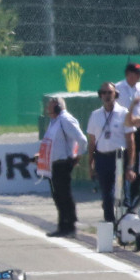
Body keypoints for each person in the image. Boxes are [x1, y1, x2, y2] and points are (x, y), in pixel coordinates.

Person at [87, 83, 131, 225]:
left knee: (122, 193)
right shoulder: (95, 115)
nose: (107, 95)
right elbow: (92, 142)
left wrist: (130, 165)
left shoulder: (124, 113)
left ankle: (125, 224)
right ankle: (110, 224)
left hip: (119, 157)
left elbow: (131, 140)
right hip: (102, 157)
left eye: (110, 92)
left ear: (115, 95)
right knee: (107, 195)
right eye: (104, 93)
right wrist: (91, 163)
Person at [42, 96, 86, 237]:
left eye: (50, 106)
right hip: (53, 164)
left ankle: (70, 225)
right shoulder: (53, 121)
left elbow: (82, 139)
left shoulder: (65, 120)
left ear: (58, 107)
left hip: (63, 163)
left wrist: (77, 156)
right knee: (57, 195)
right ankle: (62, 225)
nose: (48, 108)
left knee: (64, 195)